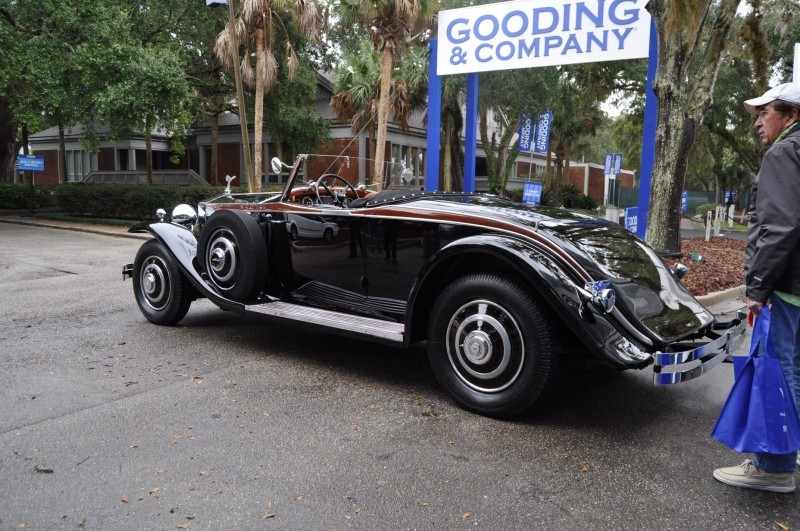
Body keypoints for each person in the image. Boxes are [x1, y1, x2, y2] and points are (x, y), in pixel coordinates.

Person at [713, 82, 800, 493]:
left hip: (787, 289)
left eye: (764, 113)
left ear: (790, 115)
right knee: (792, 369)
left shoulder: (785, 152)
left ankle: (775, 466)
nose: (758, 123)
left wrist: (758, 288)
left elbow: (779, 226)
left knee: (777, 373)